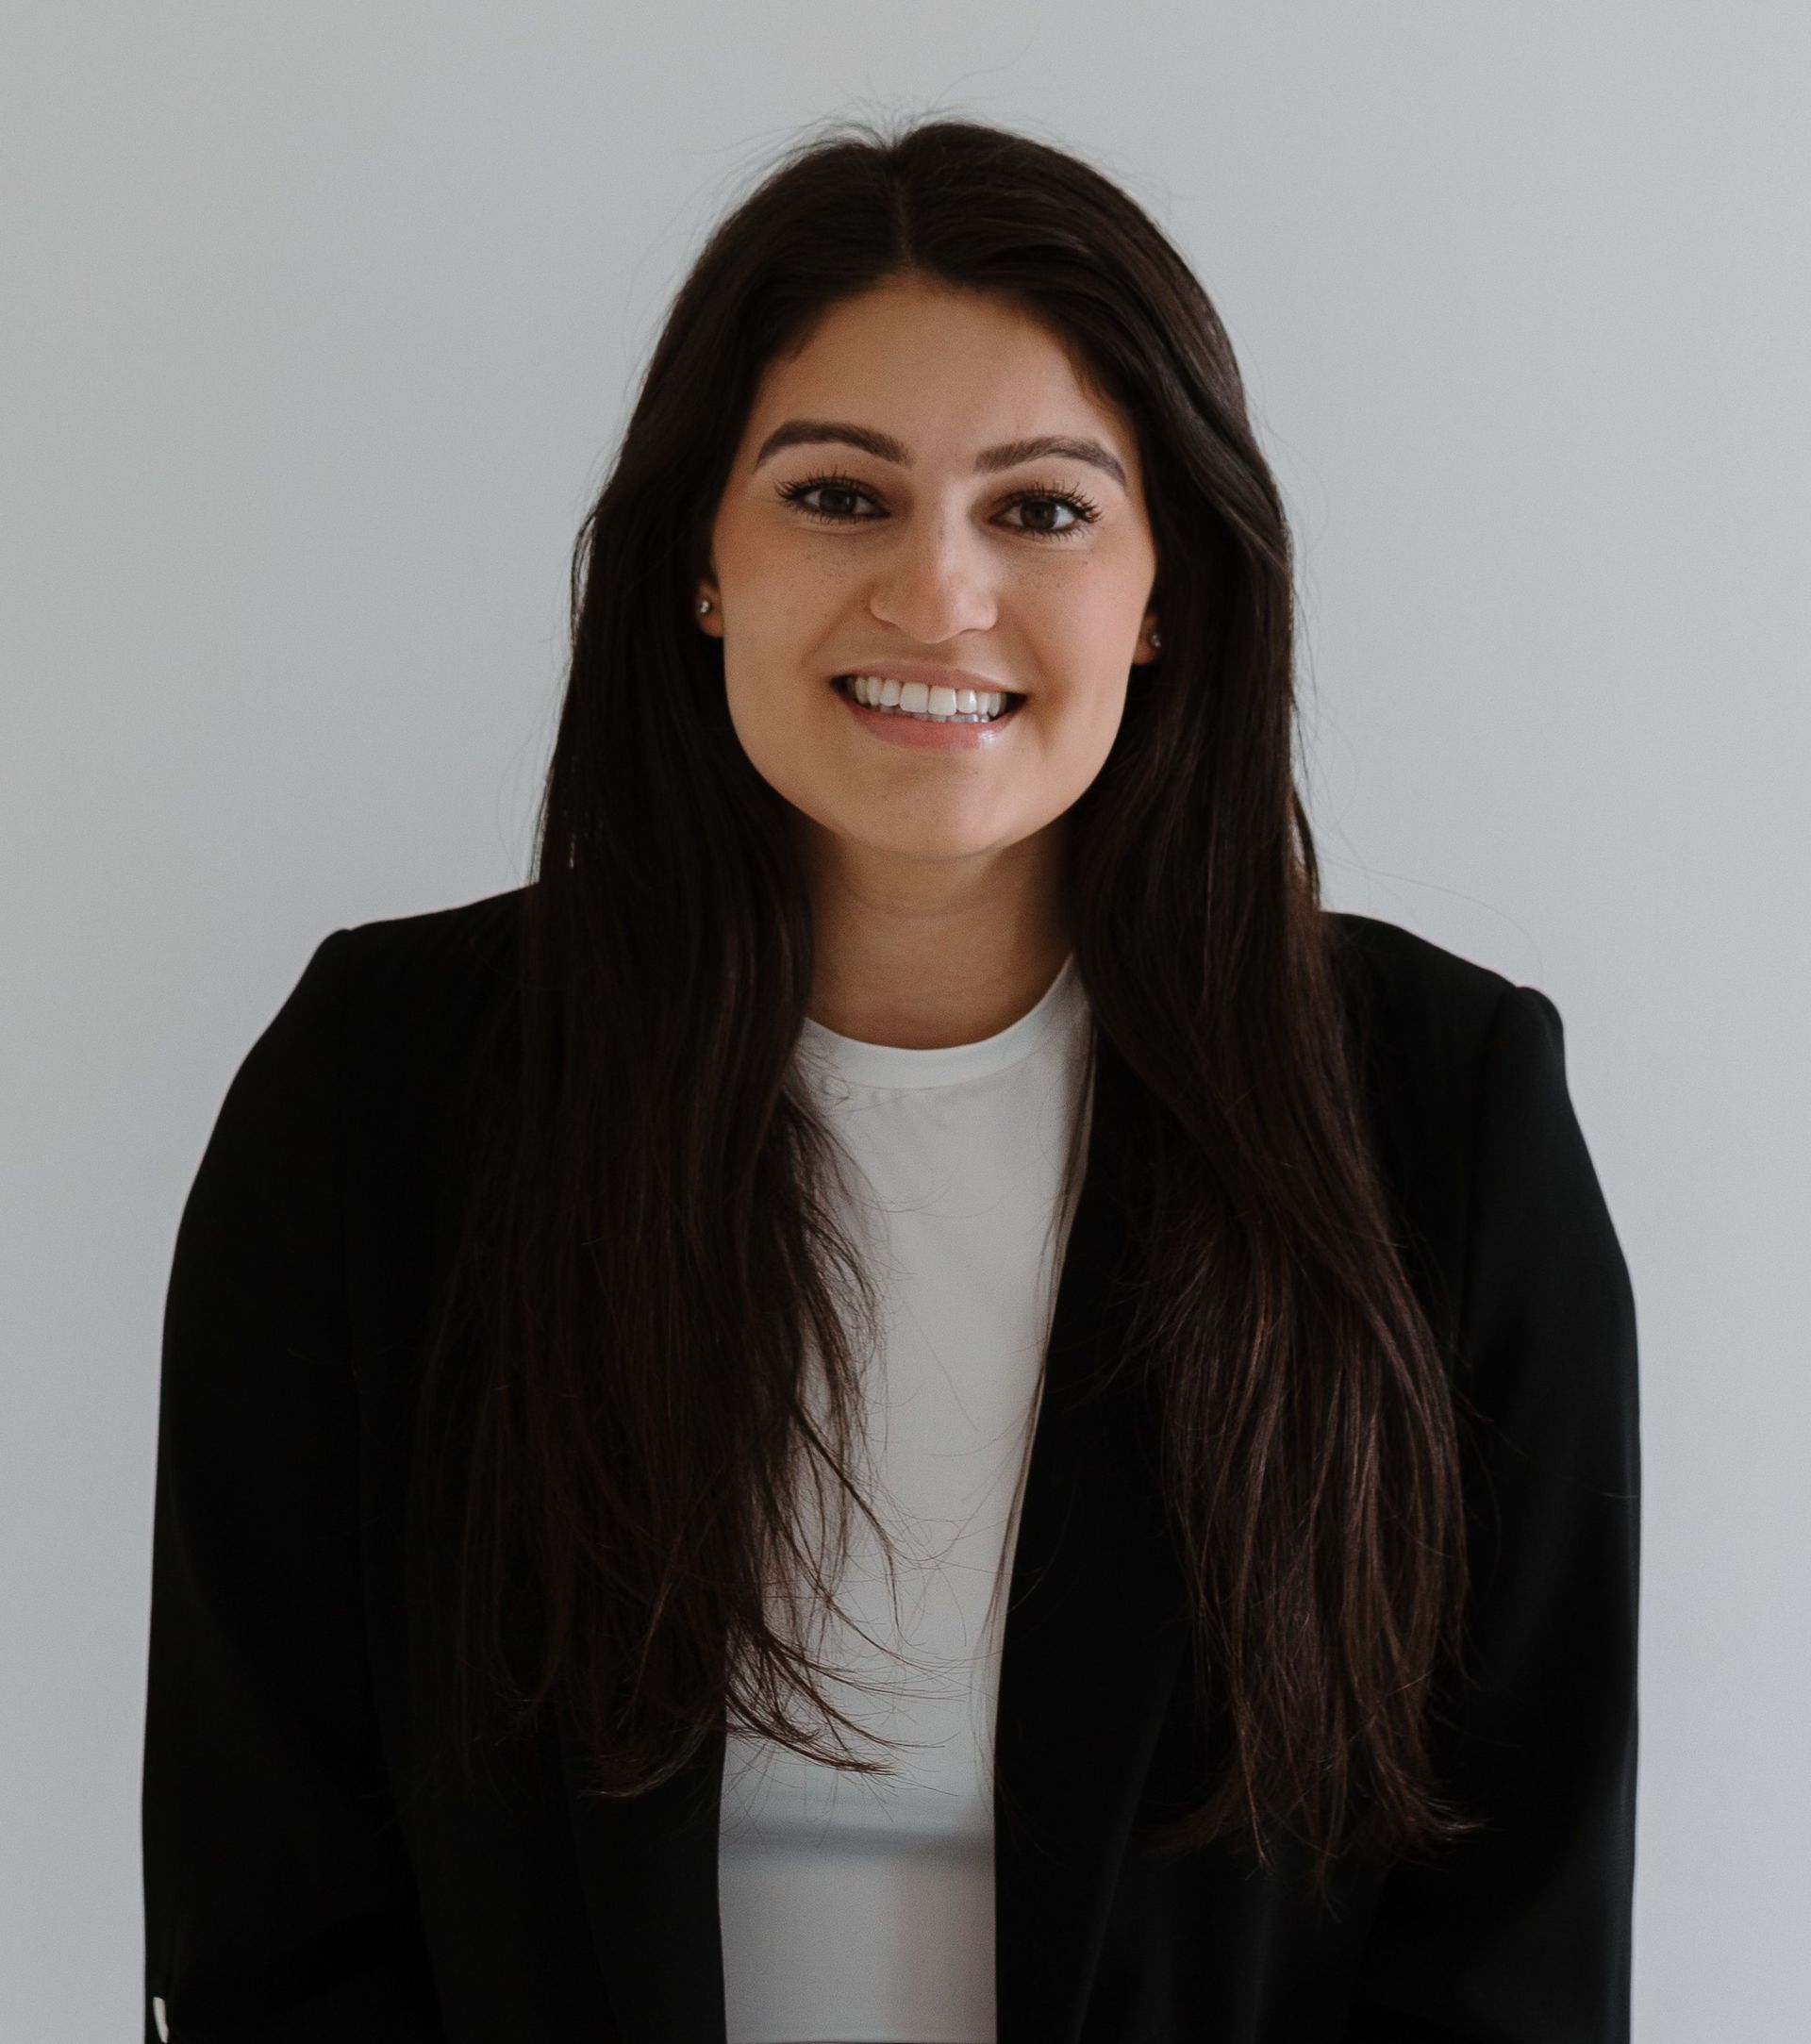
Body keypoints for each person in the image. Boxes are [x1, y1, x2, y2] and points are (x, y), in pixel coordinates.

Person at [141, 115, 1640, 2043]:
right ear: (701, 562)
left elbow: (1518, 1949)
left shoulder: (1439, 1121)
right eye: (840, 495)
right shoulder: (379, 1098)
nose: (938, 595)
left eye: (1043, 510)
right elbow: (272, 1912)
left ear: (1165, 591)